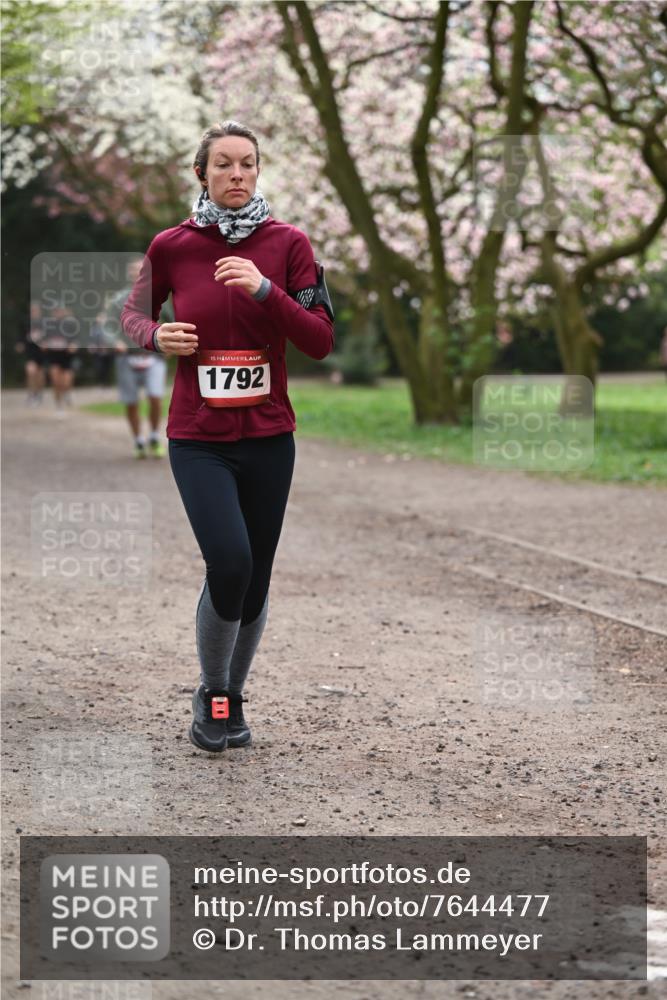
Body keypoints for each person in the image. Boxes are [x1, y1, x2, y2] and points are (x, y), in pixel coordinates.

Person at [121, 120, 335, 752]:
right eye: (224, 165)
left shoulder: (289, 243)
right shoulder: (172, 246)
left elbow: (319, 341)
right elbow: (132, 315)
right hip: (198, 436)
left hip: (270, 436)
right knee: (230, 561)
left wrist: (267, 290)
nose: (237, 174)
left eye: (247, 164)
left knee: (258, 575)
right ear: (202, 174)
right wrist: (156, 336)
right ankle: (213, 692)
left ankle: (232, 697)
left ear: (258, 171)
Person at [106, 260, 169, 458]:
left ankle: (153, 435)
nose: (137, 274)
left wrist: (170, 339)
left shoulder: (159, 295)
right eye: (133, 271)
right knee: (131, 401)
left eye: (141, 270)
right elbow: (107, 326)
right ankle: (138, 441)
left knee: (155, 396)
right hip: (127, 356)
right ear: (129, 274)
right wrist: (114, 341)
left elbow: (173, 319)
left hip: (153, 355)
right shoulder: (118, 300)